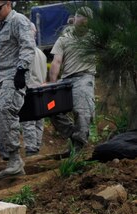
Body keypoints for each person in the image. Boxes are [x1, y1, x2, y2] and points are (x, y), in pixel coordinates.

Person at [0, 1, 35, 179]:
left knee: (4, 111)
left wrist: (22, 70)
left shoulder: (18, 20)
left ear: (8, 3)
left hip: (12, 76)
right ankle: (9, 160)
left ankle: (15, 160)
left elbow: (28, 46)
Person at [48, 6, 96, 154]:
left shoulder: (95, 37)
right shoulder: (64, 39)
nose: (82, 24)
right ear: (74, 19)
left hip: (84, 77)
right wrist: (52, 85)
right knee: (51, 108)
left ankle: (79, 148)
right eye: (80, 20)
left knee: (81, 111)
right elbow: (56, 62)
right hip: (66, 80)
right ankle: (74, 137)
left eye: (86, 22)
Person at [21, 23, 47, 156]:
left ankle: (31, 150)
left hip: (30, 90)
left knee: (28, 120)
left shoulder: (26, 53)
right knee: (39, 121)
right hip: (41, 90)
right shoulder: (41, 53)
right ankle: (36, 147)